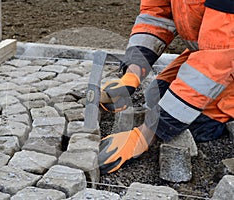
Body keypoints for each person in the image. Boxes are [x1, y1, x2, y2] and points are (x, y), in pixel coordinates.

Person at [98, 0, 234, 174]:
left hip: (222, 54)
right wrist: (132, 75)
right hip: (213, 49)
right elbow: (155, 16)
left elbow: (215, 59)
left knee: (194, 124)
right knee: (157, 96)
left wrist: (143, 136)